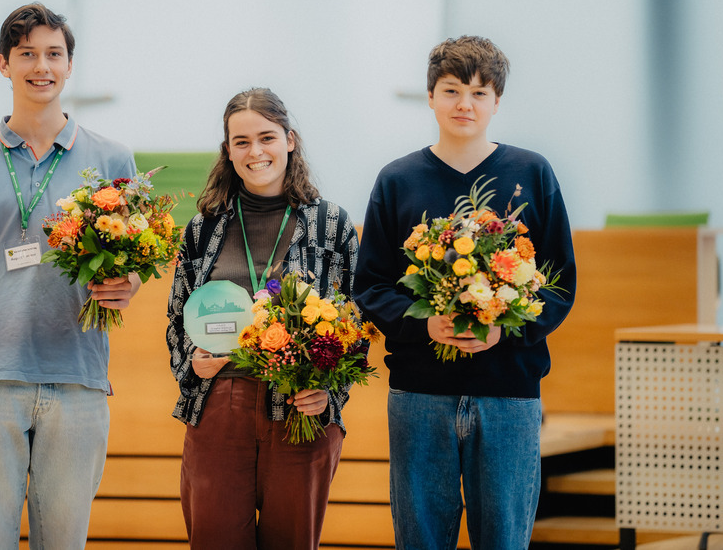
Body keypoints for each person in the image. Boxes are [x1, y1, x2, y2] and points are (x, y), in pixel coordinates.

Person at [0, 2, 140, 549]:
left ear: (70, 65)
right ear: (4, 64)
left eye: (53, 54)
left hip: (78, 379)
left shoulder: (114, 160)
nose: (40, 66)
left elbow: (131, 273)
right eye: (27, 54)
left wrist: (127, 287)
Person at [355, 36, 577, 550]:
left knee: (504, 539)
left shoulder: (532, 173)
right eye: (452, 91)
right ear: (430, 96)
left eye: (479, 93)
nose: (464, 105)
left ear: (497, 101)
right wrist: (422, 324)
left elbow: (560, 284)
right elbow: (370, 285)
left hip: (509, 393)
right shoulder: (397, 180)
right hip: (419, 394)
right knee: (421, 538)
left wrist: (506, 328)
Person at [166, 88, 359, 549]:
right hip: (218, 406)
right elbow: (177, 318)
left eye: (267, 137)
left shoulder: (331, 225)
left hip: (299, 409)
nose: (256, 152)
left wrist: (327, 391)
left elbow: (358, 323)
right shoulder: (203, 228)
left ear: (290, 140)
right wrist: (192, 361)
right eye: (241, 142)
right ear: (228, 151)